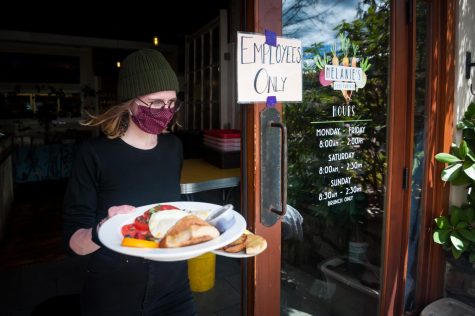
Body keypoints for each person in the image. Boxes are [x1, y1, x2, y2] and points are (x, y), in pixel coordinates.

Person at [63, 49, 196, 316]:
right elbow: (74, 243)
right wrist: (103, 228)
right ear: (129, 102)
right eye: (156, 102)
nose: (166, 112)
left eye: (172, 102)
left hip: (174, 288)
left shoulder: (174, 147)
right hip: (113, 292)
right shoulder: (94, 155)